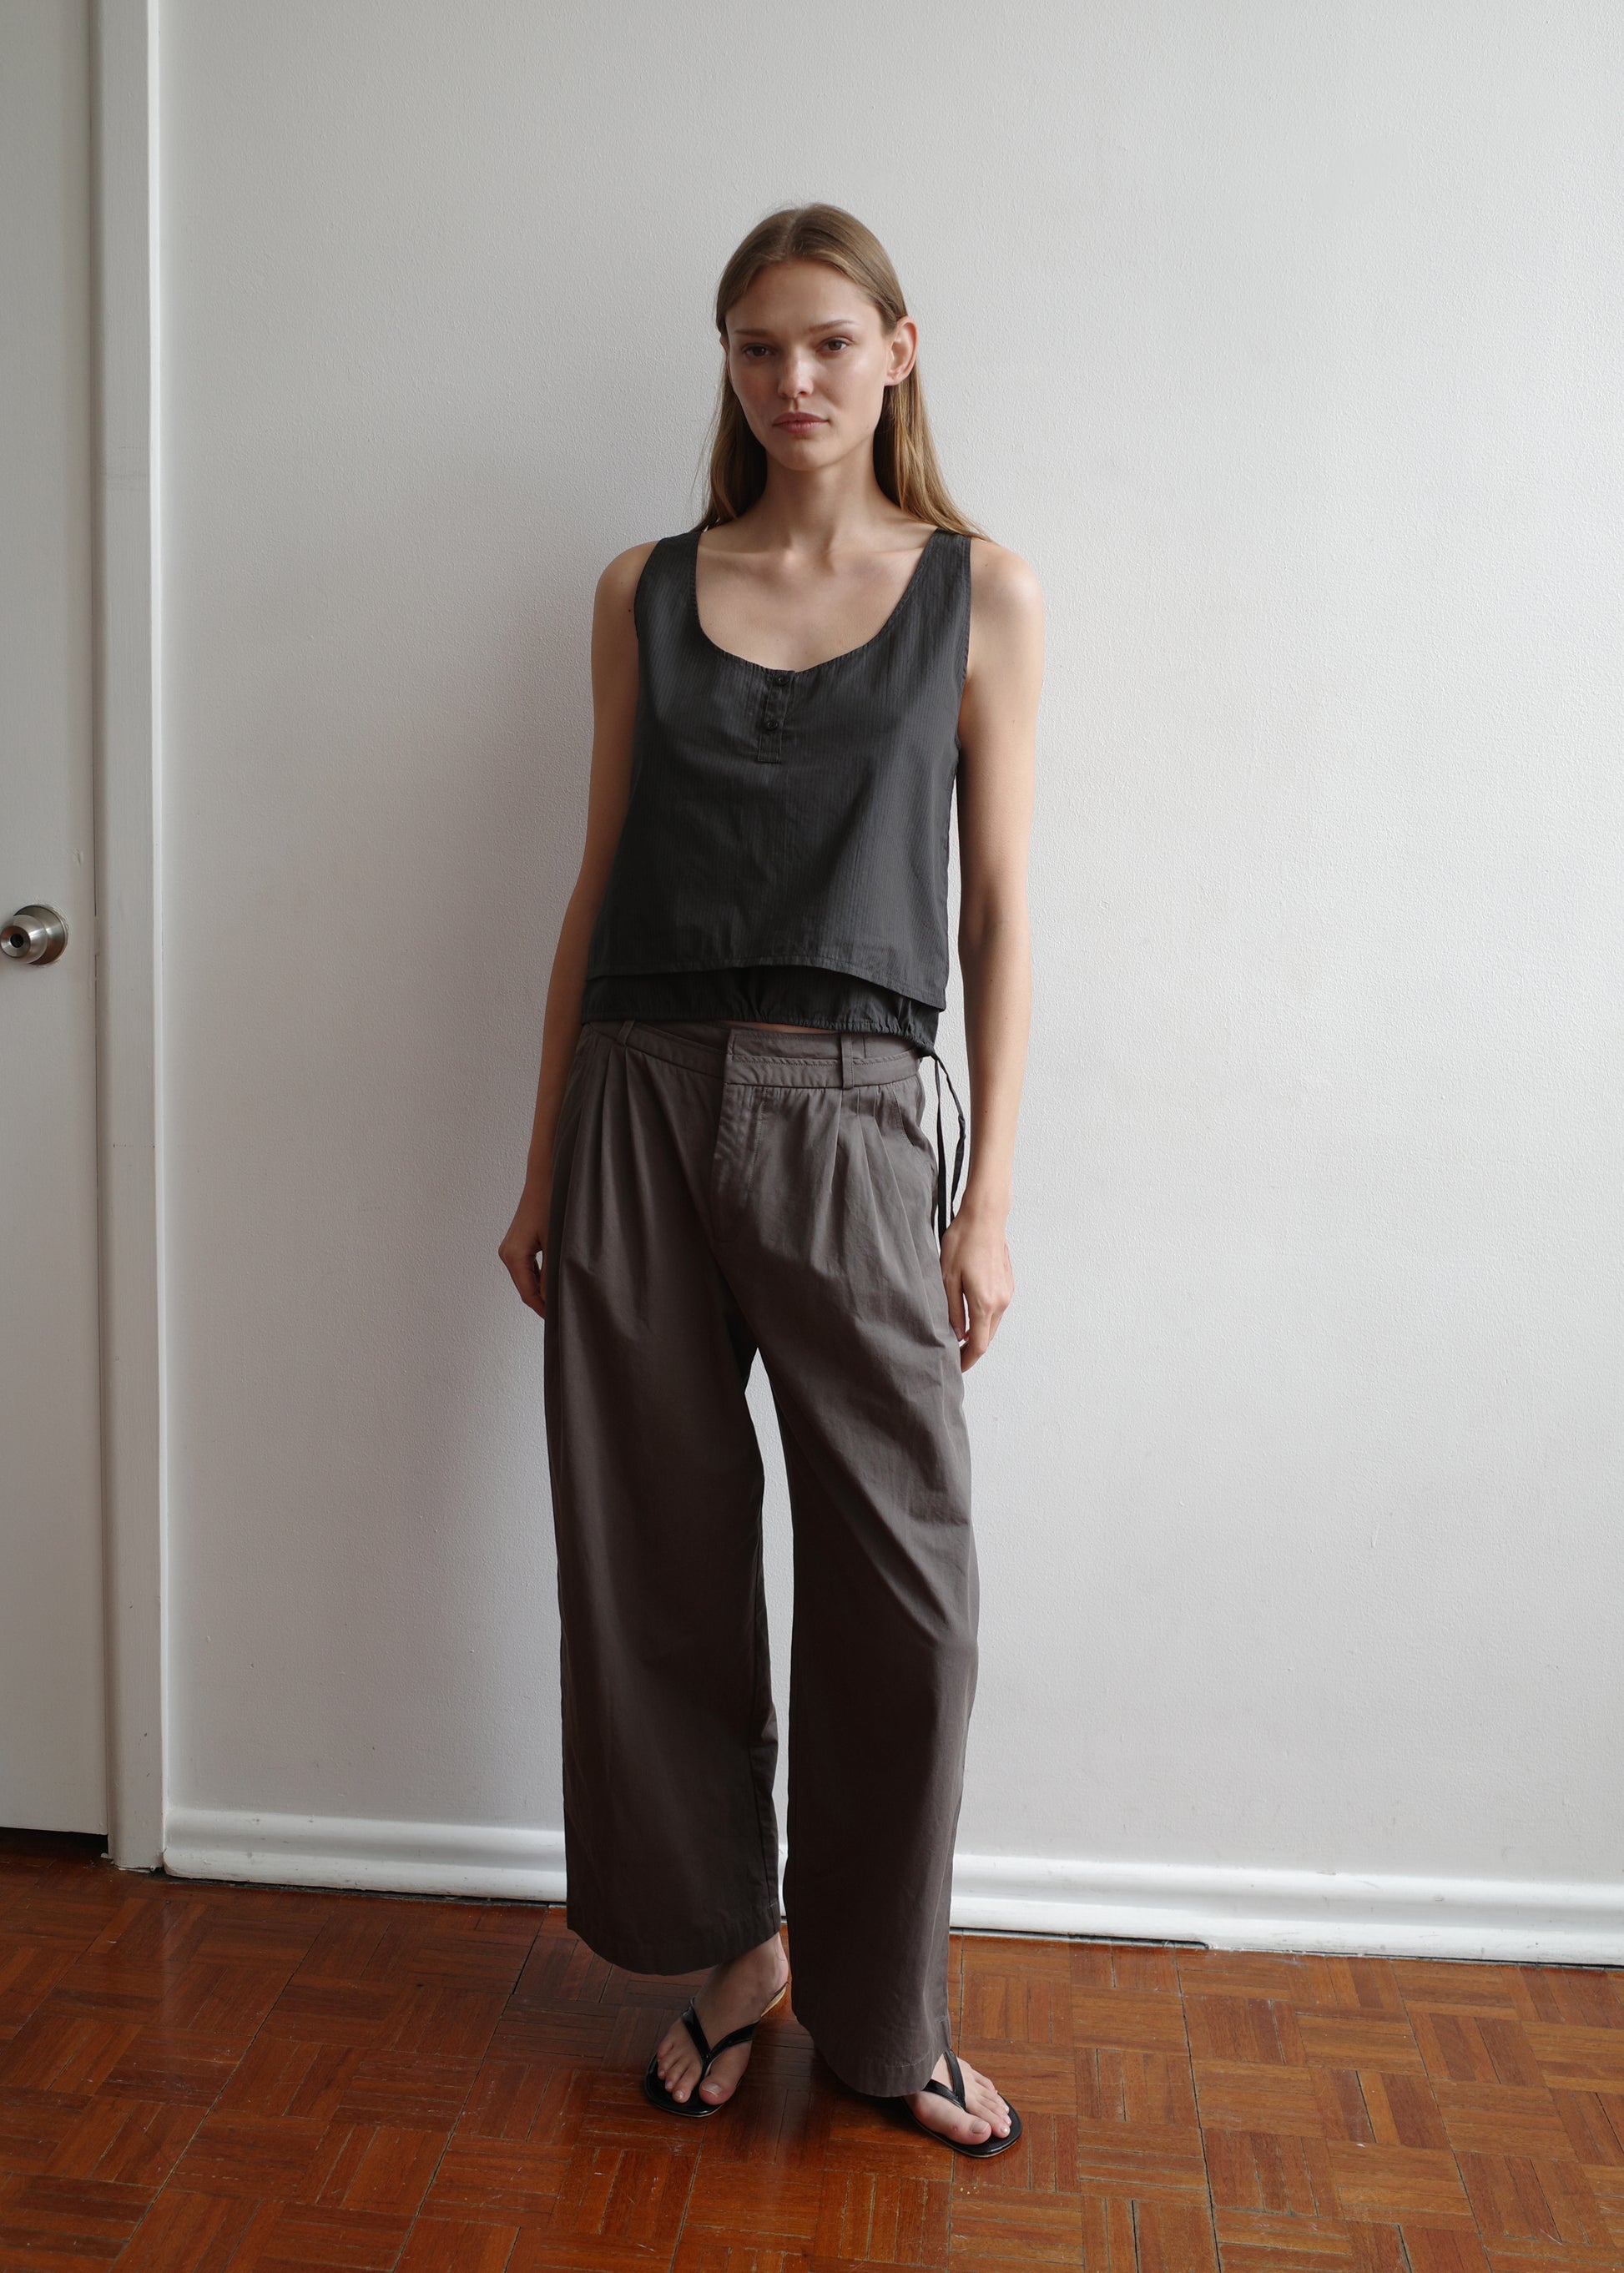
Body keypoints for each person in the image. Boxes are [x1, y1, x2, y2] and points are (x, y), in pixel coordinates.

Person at [499, 202, 1042, 2155]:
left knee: (905, 1580)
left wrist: (981, 1203)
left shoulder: (976, 594)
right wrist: (542, 1147)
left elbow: (997, 908)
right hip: (633, 1099)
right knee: (650, 1549)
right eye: (752, 348)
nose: (788, 381)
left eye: (824, 341)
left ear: (899, 348)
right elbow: (596, 878)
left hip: (852, 1111)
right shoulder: (641, 586)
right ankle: (733, 1957)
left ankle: (888, 2018)